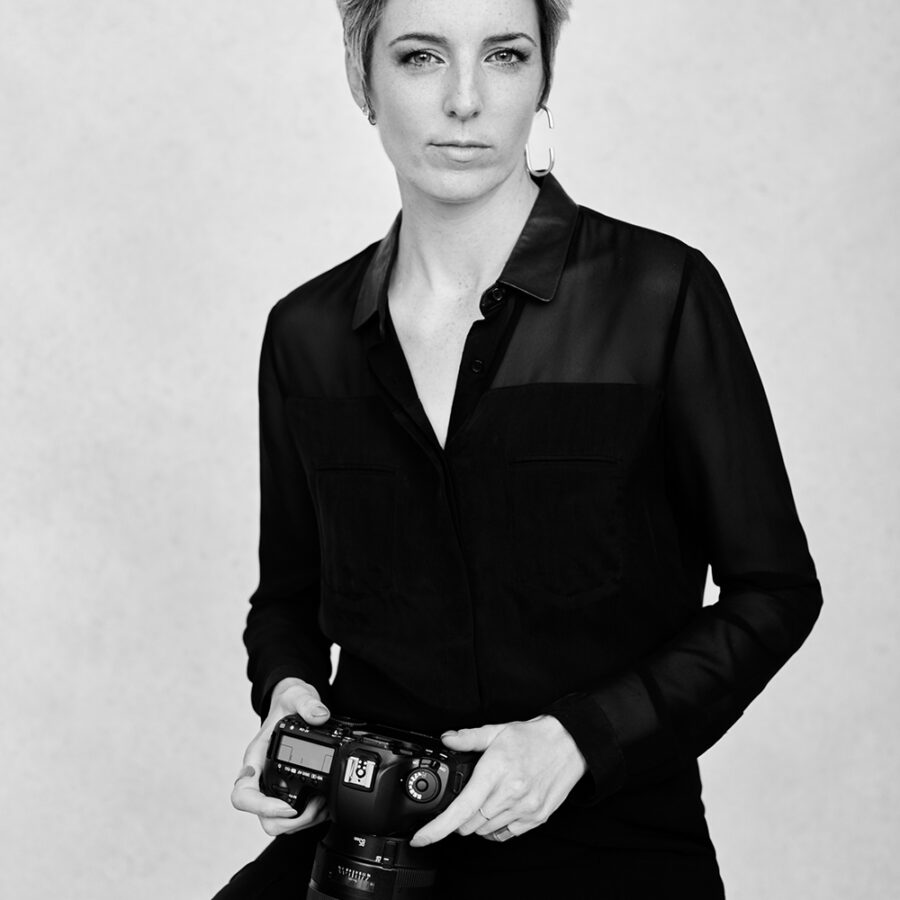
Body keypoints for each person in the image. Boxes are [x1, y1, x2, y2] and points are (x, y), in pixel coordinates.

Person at [214, 0, 823, 896]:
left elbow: (775, 592)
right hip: (368, 843)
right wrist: (292, 702)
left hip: (610, 849)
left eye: (504, 55)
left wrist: (577, 741)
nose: (465, 99)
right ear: (361, 78)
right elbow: (288, 600)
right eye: (421, 57)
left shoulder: (661, 296)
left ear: (543, 78)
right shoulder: (305, 333)